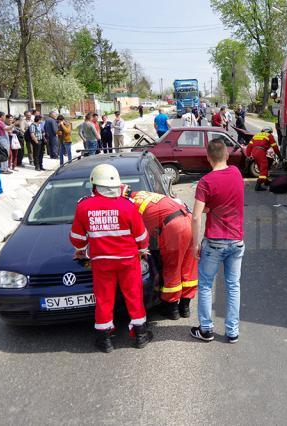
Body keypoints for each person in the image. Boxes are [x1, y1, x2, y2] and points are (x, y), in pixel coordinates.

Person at [69, 164, 153, 353]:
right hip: (128, 260)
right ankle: (140, 335)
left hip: (101, 262)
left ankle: (104, 339)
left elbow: (77, 238)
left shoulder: (84, 207)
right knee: (133, 296)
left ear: (94, 185)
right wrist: (143, 250)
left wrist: (81, 251)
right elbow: (141, 236)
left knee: (104, 299)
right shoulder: (128, 206)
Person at [190, 138, 245, 343]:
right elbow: (230, 199)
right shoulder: (237, 174)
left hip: (214, 241)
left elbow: (196, 216)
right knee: (233, 286)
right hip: (236, 241)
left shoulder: (205, 182)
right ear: (227, 155)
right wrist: (211, 206)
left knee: (205, 285)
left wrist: (195, 244)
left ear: (208, 158)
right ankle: (232, 332)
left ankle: (206, 330)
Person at [122, 187, 198, 320]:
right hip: (188, 219)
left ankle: (172, 309)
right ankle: (185, 307)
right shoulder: (144, 194)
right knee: (188, 265)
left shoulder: (130, 205)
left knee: (172, 267)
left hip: (174, 227)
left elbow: (135, 233)